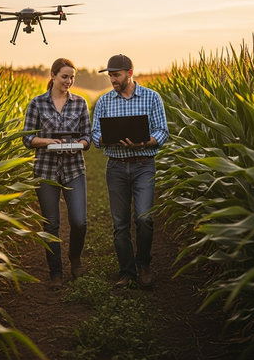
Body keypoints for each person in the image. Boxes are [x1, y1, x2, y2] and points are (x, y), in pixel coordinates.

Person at [92, 54, 169, 289]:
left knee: (144, 218)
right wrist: (109, 138)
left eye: (116, 75)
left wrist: (144, 143)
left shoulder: (152, 97)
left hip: (144, 164)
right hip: (115, 166)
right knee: (120, 223)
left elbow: (162, 131)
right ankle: (127, 272)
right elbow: (95, 135)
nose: (112, 79)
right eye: (110, 75)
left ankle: (143, 265)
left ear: (130, 73)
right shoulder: (105, 102)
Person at [23, 58, 91, 290]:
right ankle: (56, 273)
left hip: (74, 168)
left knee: (79, 222)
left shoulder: (80, 103)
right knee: (51, 224)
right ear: (52, 76)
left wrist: (79, 144)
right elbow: (27, 138)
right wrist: (47, 141)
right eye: (64, 76)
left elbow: (87, 137)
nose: (69, 81)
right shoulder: (37, 103)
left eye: (72, 77)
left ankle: (75, 259)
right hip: (46, 169)